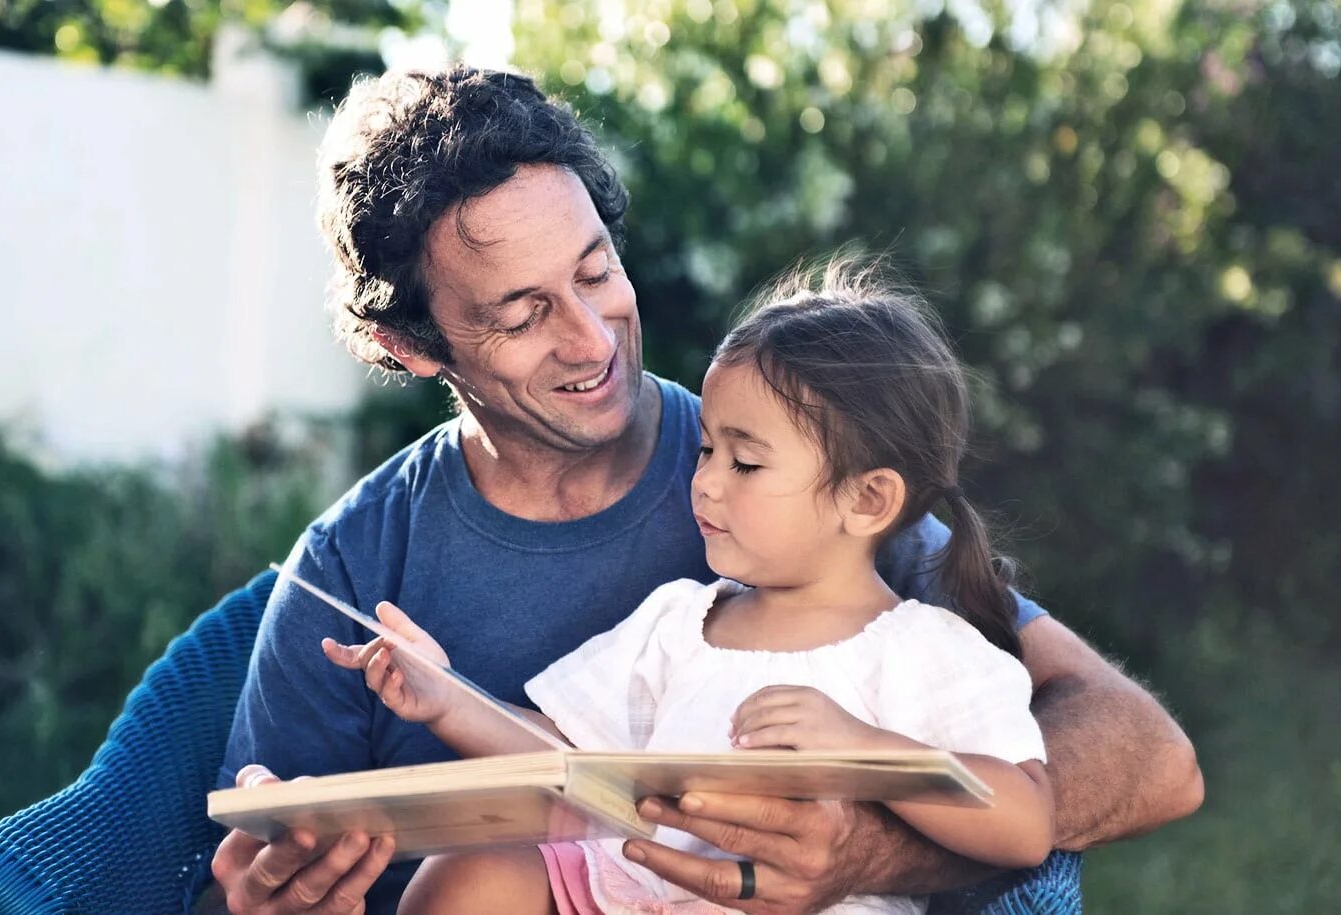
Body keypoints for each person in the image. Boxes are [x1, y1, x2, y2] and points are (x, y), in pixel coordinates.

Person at [207, 66, 1202, 915]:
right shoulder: (355, 563)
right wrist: (271, 893)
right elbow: (232, 880)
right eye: (521, 315)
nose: (593, 342)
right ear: (410, 347)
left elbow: (1148, 758)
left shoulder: (812, 477)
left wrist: (871, 852)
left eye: (596, 273)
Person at [324, 260, 1055, 915]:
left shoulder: (924, 648)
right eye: (707, 447)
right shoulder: (681, 620)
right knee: (474, 874)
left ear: (866, 500)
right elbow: (570, 759)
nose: (702, 480)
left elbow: (1025, 822)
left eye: (745, 462)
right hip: (635, 889)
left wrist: (866, 749)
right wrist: (446, 695)